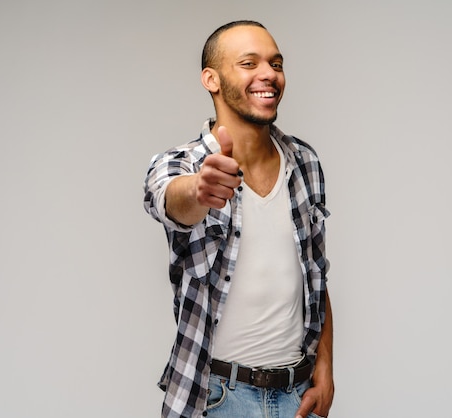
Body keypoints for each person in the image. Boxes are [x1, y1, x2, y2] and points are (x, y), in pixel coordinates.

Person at [143, 20, 334, 418]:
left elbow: (316, 276)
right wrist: (199, 191)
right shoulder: (181, 165)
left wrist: (325, 370)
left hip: (298, 397)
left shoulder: (305, 162)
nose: (269, 74)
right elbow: (167, 199)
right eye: (249, 63)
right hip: (218, 399)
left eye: (276, 64)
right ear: (211, 79)